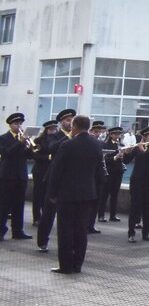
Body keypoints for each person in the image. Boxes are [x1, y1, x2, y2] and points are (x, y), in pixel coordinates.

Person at [46, 114, 104, 274]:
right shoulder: (97, 144)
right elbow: (100, 170)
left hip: (68, 194)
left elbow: (57, 171)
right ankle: (78, 264)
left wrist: (52, 192)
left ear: (75, 126)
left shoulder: (67, 144)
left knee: (65, 230)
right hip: (87, 194)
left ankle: (65, 265)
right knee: (81, 230)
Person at [37, 108, 77, 252]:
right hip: (54, 178)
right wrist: (69, 136)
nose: (70, 122)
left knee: (68, 214)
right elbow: (51, 148)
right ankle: (42, 240)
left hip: (70, 179)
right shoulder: (55, 135)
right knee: (48, 212)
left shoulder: (77, 137)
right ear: (61, 122)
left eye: (72, 120)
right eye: (67, 120)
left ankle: (68, 243)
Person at [0, 112, 34, 241]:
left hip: (21, 176)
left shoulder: (24, 139)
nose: (18, 126)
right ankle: (1, 230)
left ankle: (18, 231)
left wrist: (29, 146)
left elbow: (30, 156)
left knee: (19, 204)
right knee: (4, 204)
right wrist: (20, 142)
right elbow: (7, 153)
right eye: (16, 123)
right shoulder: (3, 138)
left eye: (20, 123)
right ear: (10, 125)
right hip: (7, 176)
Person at [30, 120, 57, 226]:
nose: (53, 131)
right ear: (46, 130)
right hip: (40, 171)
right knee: (38, 194)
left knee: (47, 195)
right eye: (51, 129)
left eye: (55, 129)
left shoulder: (56, 140)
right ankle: (36, 217)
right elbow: (35, 156)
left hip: (50, 170)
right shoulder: (38, 140)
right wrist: (49, 157)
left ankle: (45, 217)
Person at [98, 126, 126, 224]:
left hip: (118, 172)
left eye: (118, 134)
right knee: (104, 194)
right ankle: (101, 215)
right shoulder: (106, 145)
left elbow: (124, 160)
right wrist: (115, 157)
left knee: (115, 194)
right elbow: (105, 159)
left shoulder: (120, 145)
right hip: (109, 172)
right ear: (111, 135)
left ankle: (113, 215)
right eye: (115, 134)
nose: (117, 136)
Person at [86, 120, 107, 234]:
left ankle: (91, 225)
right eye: (95, 131)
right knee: (88, 203)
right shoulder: (88, 142)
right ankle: (85, 224)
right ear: (90, 131)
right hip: (90, 175)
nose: (97, 134)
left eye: (99, 132)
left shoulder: (100, 143)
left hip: (99, 175)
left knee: (96, 202)